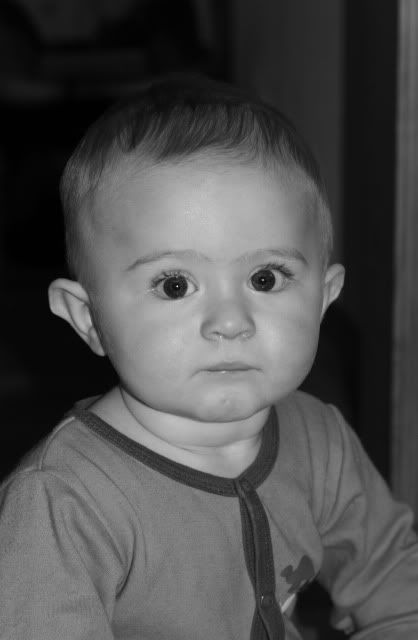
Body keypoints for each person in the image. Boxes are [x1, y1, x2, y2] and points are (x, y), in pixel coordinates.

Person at [0, 74, 417, 640]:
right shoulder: (63, 502)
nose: (230, 321)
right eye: (174, 285)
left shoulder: (320, 439)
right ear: (88, 318)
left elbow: (396, 584)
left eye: (266, 278)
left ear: (323, 298)